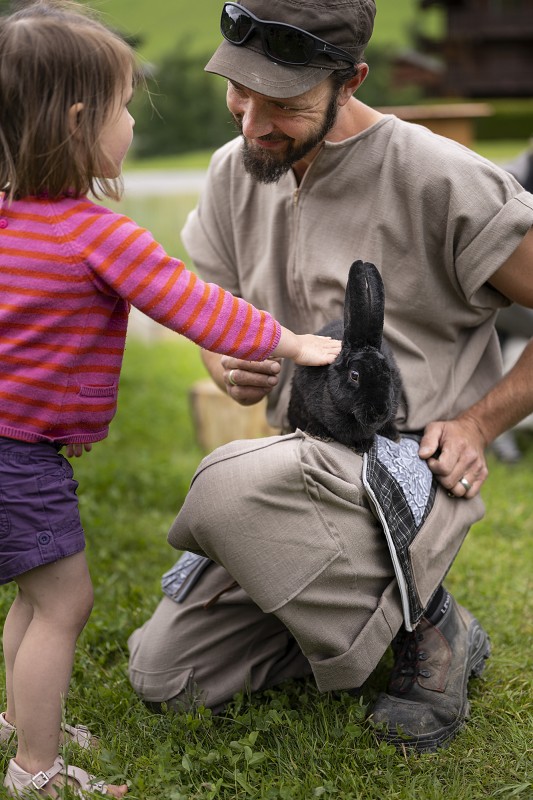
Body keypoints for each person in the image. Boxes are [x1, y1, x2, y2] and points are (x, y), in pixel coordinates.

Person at [127, 0, 533, 753]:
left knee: (222, 486)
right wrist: (226, 364)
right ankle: (364, 615)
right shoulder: (230, 172)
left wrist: (480, 423)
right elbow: (213, 321)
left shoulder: (443, 176)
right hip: (291, 477)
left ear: (349, 82)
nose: (251, 124)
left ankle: (432, 624)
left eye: (283, 104)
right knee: (167, 676)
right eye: (239, 93)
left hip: (407, 473)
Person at [0, 2, 342, 797]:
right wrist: (291, 343)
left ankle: (20, 720)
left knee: (33, 589)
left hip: (8, 446)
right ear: (82, 119)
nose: (129, 123)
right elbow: (193, 304)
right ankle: (37, 769)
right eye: (123, 107)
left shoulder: (10, 219)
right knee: (64, 601)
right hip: (19, 455)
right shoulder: (95, 233)